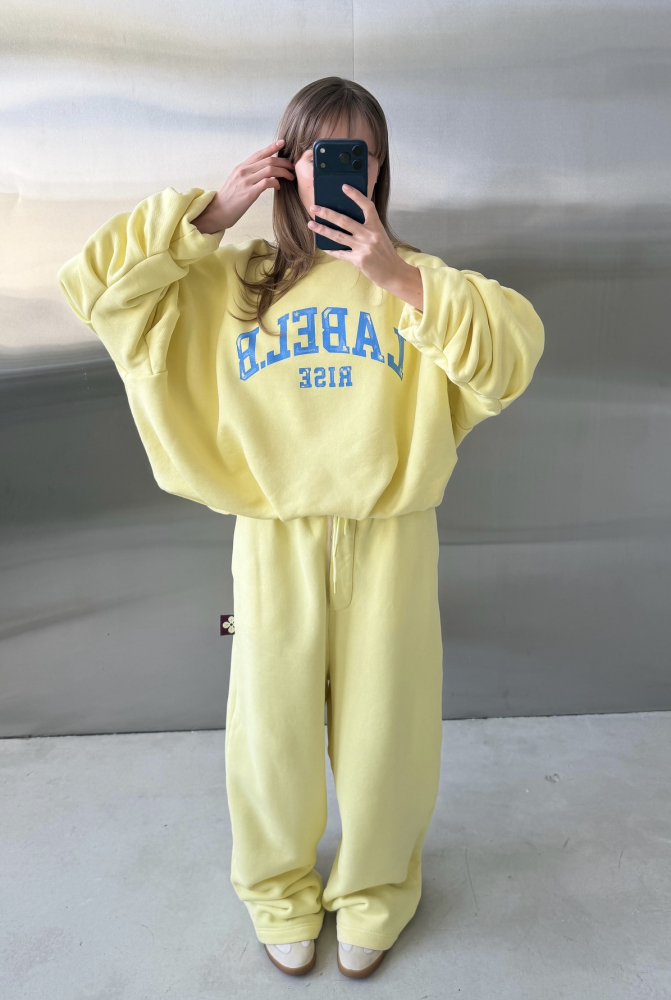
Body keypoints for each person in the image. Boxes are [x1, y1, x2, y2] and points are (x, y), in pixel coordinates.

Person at [57, 76, 544, 979]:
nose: (336, 171)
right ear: (286, 164)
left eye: (356, 152)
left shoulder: (415, 280)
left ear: (379, 167)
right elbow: (99, 290)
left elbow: (511, 352)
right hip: (273, 537)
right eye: (318, 152)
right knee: (269, 730)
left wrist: (394, 276)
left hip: (389, 536)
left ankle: (375, 891)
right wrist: (209, 216)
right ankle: (277, 890)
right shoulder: (232, 278)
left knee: (388, 730)